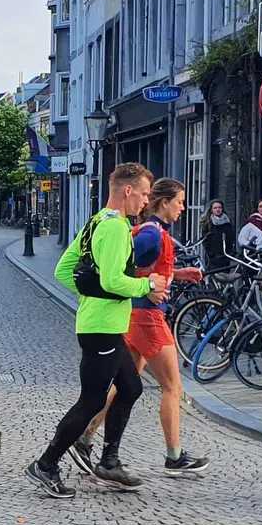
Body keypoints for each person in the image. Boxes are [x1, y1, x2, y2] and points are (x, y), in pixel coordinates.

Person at [26, 162, 166, 499]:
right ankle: (46, 464)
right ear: (127, 190)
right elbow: (113, 280)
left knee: (131, 387)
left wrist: (94, 297)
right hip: (101, 329)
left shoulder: (95, 222)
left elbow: (63, 270)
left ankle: (109, 462)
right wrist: (146, 284)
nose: (145, 202)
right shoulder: (116, 228)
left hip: (104, 325)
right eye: (144, 194)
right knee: (91, 401)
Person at [76, 178, 211, 477]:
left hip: (137, 317)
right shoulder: (151, 233)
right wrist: (145, 288)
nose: (183, 208)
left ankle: (85, 438)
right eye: (179, 201)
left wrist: (176, 273)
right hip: (148, 317)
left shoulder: (153, 231)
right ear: (164, 203)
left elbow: (144, 267)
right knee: (172, 387)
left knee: (124, 386)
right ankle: (174, 456)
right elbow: (125, 264)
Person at [200, 199, 236, 268]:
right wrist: (210, 252)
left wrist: (230, 249)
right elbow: (204, 239)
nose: (217, 210)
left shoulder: (227, 221)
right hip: (213, 255)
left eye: (219, 207)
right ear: (211, 210)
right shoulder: (207, 222)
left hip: (226, 254)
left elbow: (231, 236)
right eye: (215, 208)